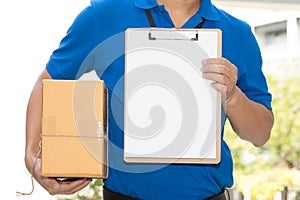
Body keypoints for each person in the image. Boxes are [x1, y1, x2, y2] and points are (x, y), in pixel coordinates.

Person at [24, 0, 274, 199]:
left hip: (209, 195)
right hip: (122, 195)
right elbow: (49, 81)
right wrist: (32, 156)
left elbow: (260, 133)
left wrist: (232, 96)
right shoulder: (102, 15)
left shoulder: (238, 33)